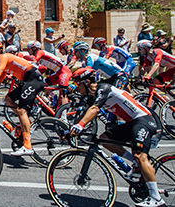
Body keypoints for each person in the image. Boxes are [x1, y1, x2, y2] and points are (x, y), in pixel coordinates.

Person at [70, 67, 163, 206]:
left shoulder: (104, 88)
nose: (76, 88)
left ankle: (156, 198)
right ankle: (137, 164)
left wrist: (80, 126)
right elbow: (86, 113)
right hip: (132, 123)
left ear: (87, 82)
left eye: (77, 83)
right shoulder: (91, 96)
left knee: (140, 156)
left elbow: (95, 109)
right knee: (105, 139)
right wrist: (70, 130)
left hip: (144, 120)